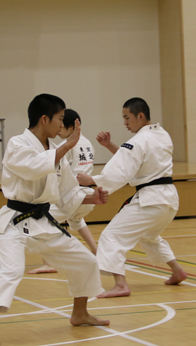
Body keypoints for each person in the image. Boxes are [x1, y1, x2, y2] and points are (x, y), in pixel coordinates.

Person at [0, 94, 110, 346]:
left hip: (43, 221)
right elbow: (34, 168)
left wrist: (94, 199)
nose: (61, 124)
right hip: (15, 220)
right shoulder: (18, 144)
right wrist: (67, 145)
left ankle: (79, 313)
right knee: (11, 270)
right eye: (59, 118)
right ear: (44, 119)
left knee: (86, 261)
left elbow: (67, 192)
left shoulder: (54, 152)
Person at [77, 98, 187, 298]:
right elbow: (136, 159)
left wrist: (91, 180)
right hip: (169, 199)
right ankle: (177, 270)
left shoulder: (137, 141)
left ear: (140, 116)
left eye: (127, 118)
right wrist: (109, 144)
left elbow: (121, 172)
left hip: (151, 199)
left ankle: (120, 285)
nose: (125, 123)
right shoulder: (162, 135)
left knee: (112, 236)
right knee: (149, 236)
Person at [29, 109, 98, 274]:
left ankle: (49, 262)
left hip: (73, 195)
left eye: (62, 126)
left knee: (40, 222)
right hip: (86, 196)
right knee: (76, 220)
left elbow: (55, 169)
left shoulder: (65, 146)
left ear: (72, 126)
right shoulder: (87, 142)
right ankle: (96, 251)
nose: (59, 130)